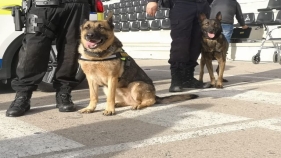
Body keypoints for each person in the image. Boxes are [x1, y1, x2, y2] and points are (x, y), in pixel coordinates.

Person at [6, 0, 92, 117]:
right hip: (41, 4)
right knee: (33, 50)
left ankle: (64, 93)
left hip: (76, 5)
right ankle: (23, 96)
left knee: (70, 51)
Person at [146, 0, 211, 92]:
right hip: (182, 5)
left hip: (203, 5)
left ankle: (188, 79)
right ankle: (176, 80)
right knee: (180, 43)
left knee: (196, 44)